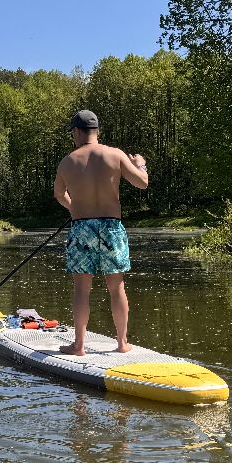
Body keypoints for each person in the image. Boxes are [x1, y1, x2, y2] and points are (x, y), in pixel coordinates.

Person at [52, 110, 148, 355]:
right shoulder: (114, 155)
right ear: (97, 132)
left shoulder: (67, 161)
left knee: (81, 289)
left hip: (82, 227)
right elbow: (142, 182)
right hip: (111, 227)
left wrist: (74, 207)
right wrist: (140, 164)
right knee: (116, 287)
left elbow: (58, 194)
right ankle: (122, 343)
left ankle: (79, 346)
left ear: (76, 132)